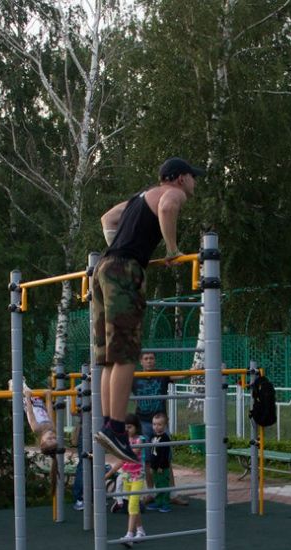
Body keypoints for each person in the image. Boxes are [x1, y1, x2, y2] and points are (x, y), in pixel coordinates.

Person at [93, 156, 203, 464]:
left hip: (103, 268)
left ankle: (107, 424)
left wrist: (119, 248)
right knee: (127, 352)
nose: (195, 182)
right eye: (193, 176)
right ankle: (116, 427)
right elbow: (168, 207)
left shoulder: (138, 197)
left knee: (109, 356)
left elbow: (107, 219)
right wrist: (171, 249)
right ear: (180, 178)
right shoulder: (173, 193)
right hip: (125, 272)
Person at [118, 414, 148, 547]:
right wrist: (108, 474)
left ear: (136, 427)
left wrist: (118, 448)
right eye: (125, 428)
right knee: (133, 505)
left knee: (132, 506)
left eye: (129, 427)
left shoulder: (139, 439)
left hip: (137, 476)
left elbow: (132, 453)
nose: (127, 430)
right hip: (127, 476)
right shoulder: (124, 440)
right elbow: (121, 460)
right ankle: (140, 531)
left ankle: (129, 535)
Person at [132, 351, 170, 440]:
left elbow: (181, 375)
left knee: (165, 448)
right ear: (141, 361)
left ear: (155, 360)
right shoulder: (134, 376)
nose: (149, 361)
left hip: (161, 420)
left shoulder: (162, 374)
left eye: (151, 358)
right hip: (143, 421)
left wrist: (193, 370)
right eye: (146, 359)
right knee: (146, 449)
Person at [145, 411, 173, 513]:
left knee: (164, 484)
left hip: (162, 467)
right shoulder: (153, 437)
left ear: (165, 426)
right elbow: (153, 452)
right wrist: (152, 466)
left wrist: (161, 466)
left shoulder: (165, 438)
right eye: (154, 424)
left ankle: (166, 503)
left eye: (159, 424)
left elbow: (165, 454)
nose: (156, 427)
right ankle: (158, 501)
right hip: (155, 466)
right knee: (157, 484)